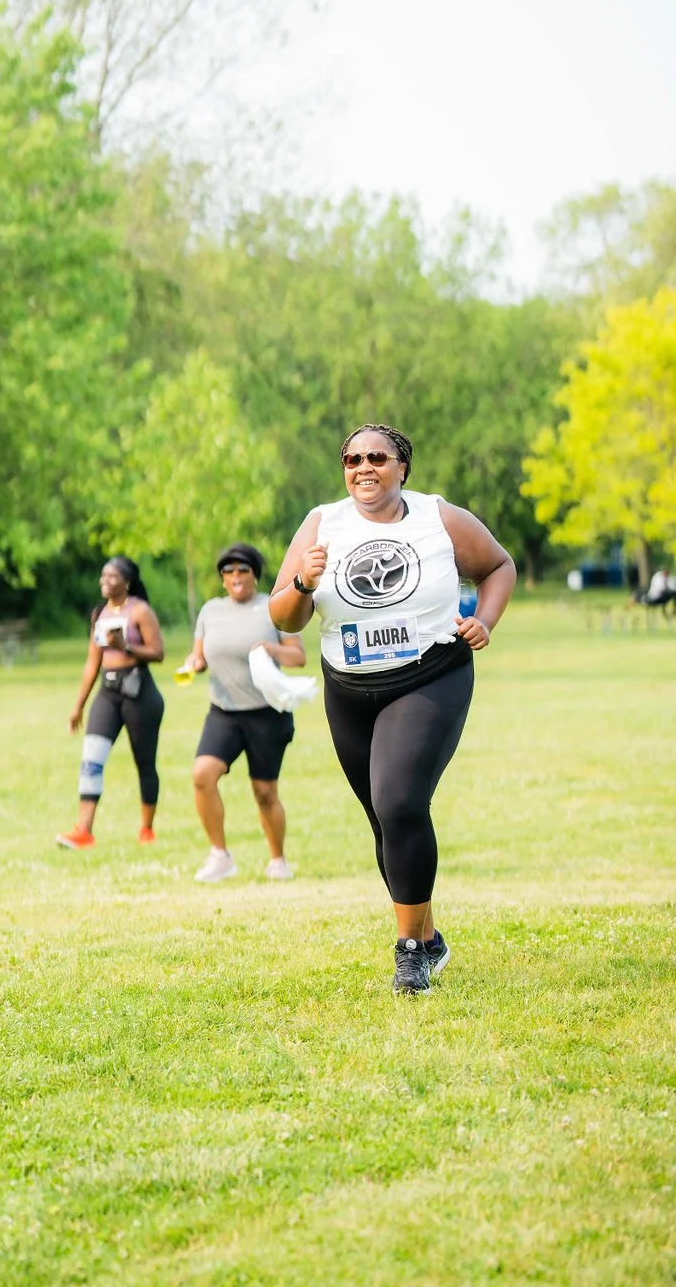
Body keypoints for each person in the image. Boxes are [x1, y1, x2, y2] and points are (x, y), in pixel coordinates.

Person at [269, 424, 516, 996]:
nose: (364, 468)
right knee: (385, 818)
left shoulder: (438, 517)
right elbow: (284, 618)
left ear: (402, 466)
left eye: (377, 457)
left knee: (400, 801)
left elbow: (498, 566)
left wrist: (486, 618)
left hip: (432, 675)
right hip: (350, 690)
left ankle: (409, 954)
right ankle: (428, 937)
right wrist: (304, 581)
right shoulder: (321, 523)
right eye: (352, 459)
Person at [188, 544, 307, 884]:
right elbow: (199, 655)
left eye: (243, 570)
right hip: (224, 712)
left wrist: (272, 649)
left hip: (266, 714)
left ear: (255, 574)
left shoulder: (274, 607)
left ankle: (278, 860)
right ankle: (220, 856)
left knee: (264, 792)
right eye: (228, 572)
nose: (236, 577)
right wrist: (194, 664)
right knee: (202, 774)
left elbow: (298, 657)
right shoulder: (210, 611)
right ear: (222, 579)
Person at [57, 555, 166, 850]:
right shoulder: (100, 614)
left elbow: (158, 652)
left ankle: (147, 828)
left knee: (144, 762)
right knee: (92, 759)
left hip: (139, 692)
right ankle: (84, 830)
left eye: (112, 577)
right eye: (103, 576)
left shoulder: (140, 611)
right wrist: (78, 706)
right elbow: (92, 663)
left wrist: (125, 646)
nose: (105, 581)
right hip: (108, 693)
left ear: (127, 582)